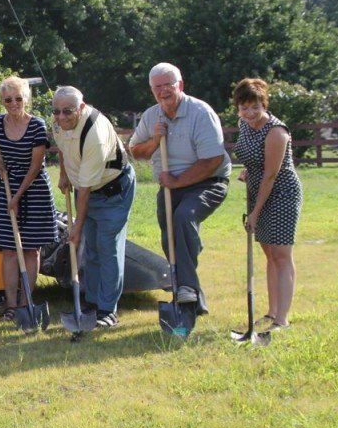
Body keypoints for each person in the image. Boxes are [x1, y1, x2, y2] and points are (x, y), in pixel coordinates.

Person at [129, 62, 231, 314]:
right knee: (170, 236)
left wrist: (177, 181)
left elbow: (212, 160)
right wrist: (155, 140)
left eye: (168, 85)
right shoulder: (151, 116)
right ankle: (192, 295)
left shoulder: (200, 113)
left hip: (208, 181)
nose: (163, 91)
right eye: (157, 87)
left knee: (183, 217)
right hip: (170, 185)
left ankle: (185, 285)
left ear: (180, 85)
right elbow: (135, 151)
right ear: (152, 90)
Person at [52, 86, 136, 328]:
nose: (61, 117)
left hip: (113, 191)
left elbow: (85, 189)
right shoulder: (58, 121)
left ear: (81, 107)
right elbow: (62, 146)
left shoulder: (95, 134)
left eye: (67, 111)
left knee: (107, 246)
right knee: (91, 249)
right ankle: (92, 303)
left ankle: (108, 310)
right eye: (56, 111)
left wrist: (76, 226)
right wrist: (64, 173)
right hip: (87, 187)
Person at [0, 76, 57, 321]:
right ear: (2, 101)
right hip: (8, 185)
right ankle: (11, 306)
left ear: (26, 99)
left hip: (34, 189)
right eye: (8, 100)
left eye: (18, 98)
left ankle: (26, 304)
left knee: (31, 250)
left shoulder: (37, 125)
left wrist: (17, 197)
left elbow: (35, 167)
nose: (13, 103)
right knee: (10, 250)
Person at [233, 78, 302, 332]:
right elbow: (254, 159)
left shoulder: (276, 132)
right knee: (270, 255)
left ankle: (282, 320)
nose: (250, 113)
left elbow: (271, 175)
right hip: (258, 191)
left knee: (281, 255)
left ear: (264, 104)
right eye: (244, 108)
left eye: (255, 107)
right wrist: (247, 171)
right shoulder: (244, 124)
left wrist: (254, 213)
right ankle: (272, 312)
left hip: (282, 195)